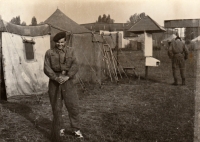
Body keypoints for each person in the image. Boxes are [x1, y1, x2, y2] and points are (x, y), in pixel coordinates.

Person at [44, 32, 83, 141]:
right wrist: (55, 78)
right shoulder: (49, 53)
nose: (60, 44)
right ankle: (59, 129)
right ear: (54, 42)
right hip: (54, 82)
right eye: (57, 42)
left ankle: (76, 129)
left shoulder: (71, 51)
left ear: (65, 41)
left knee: (73, 106)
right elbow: (46, 68)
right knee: (56, 107)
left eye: (62, 42)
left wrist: (68, 76)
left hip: (68, 81)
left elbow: (75, 65)